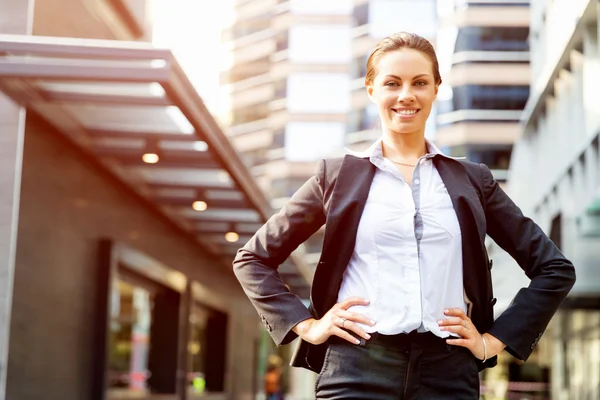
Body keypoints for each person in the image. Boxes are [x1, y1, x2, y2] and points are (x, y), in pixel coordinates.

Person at [233, 31, 576, 399]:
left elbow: (554, 269)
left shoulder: (473, 181)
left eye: (419, 83)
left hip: (448, 370)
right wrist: (306, 325)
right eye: (392, 83)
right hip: (356, 367)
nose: (406, 95)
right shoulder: (336, 177)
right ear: (371, 90)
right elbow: (252, 259)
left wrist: (493, 341)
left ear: (436, 89)